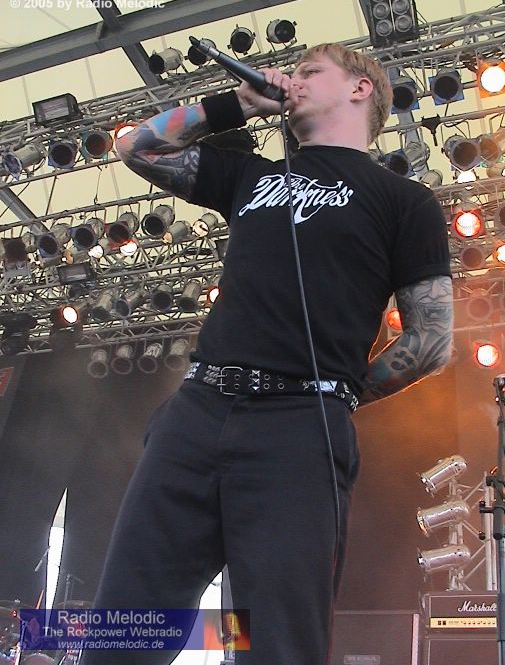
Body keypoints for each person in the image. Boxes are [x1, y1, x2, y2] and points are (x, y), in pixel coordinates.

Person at [82, 42, 453, 665]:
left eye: (311, 71)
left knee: (278, 641)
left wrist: (335, 394)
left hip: (301, 429)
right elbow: (138, 148)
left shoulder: (404, 201)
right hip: (197, 410)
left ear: (360, 88)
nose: (294, 78)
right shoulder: (252, 175)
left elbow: (430, 339)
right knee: (127, 625)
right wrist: (237, 103)